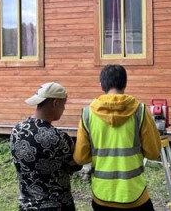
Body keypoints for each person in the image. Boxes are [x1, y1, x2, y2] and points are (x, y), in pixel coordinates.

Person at [74, 65, 161, 210]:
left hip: (102, 195)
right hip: (135, 195)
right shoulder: (140, 111)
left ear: (102, 85)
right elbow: (153, 153)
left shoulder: (87, 114)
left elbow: (80, 158)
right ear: (125, 83)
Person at [10, 82, 81, 211]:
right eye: (63, 105)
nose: (64, 109)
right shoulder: (59, 138)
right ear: (56, 103)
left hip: (26, 206)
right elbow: (76, 165)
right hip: (58, 206)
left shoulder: (16, 130)